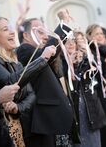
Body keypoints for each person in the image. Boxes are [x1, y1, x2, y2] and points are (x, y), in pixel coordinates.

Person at [0, 17, 55, 147]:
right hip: (0, 131)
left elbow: (31, 95)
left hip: (20, 127)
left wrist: (17, 107)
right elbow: (9, 81)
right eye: (5, 29)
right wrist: (42, 59)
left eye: (11, 28)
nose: (12, 32)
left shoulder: (16, 62)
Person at [17, 18, 73, 147]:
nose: (46, 36)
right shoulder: (24, 50)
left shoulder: (39, 51)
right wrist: (62, 26)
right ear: (25, 35)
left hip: (48, 117)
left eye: (45, 32)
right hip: (39, 119)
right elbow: (45, 55)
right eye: (40, 31)